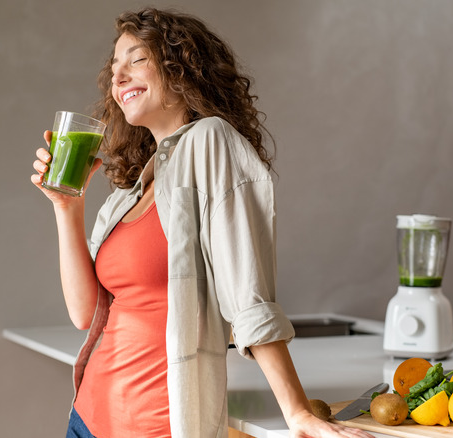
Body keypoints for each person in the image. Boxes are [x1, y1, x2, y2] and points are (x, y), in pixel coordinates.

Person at [31, 7, 375, 438]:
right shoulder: (132, 189)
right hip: (85, 418)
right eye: (114, 67)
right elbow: (85, 313)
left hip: (156, 426)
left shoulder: (211, 142)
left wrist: (297, 411)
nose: (118, 78)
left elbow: (247, 291)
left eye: (136, 59)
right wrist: (67, 206)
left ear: (182, 69)